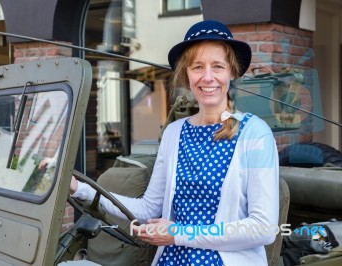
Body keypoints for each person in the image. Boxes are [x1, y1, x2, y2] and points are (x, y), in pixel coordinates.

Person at [71, 20, 279, 266]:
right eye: (197, 67)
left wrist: (179, 233)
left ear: (232, 72)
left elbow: (263, 228)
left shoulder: (255, 133)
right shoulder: (174, 132)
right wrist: (79, 188)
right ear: (186, 74)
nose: (208, 77)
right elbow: (148, 209)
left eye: (218, 66)